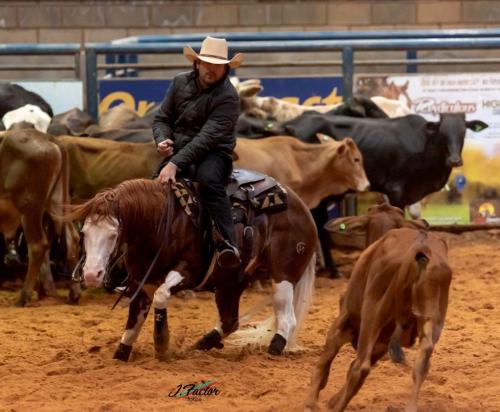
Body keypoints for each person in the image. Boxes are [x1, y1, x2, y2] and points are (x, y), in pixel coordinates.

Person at [152, 36, 244, 269]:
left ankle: (227, 244)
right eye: (206, 62)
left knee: (209, 182)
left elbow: (207, 138)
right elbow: (162, 118)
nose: (211, 68)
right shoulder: (179, 82)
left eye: (217, 64)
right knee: (153, 189)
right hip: (181, 149)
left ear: (225, 68)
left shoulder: (228, 97)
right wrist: (162, 139)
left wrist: (174, 163)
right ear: (197, 63)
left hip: (214, 152)